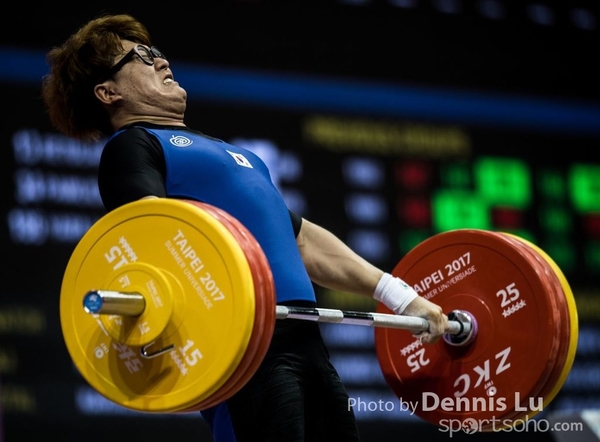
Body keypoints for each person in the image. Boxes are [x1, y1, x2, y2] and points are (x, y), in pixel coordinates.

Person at [41, 14, 449, 442]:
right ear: (109, 92)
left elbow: (302, 241)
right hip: (241, 353)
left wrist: (403, 299)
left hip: (305, 342)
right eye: (140, 56)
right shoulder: (133, 146)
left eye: (156, 51)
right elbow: (151, 233)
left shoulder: (235, 155)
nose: (160, 60)